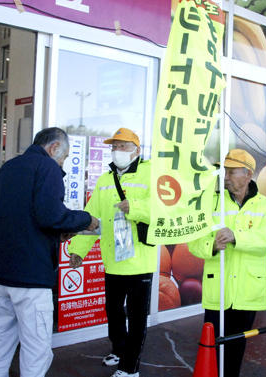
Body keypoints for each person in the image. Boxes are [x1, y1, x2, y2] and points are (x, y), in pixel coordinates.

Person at [0, 127, 99, 377]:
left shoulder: (8, 168)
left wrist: (55, 234)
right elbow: (52, 215)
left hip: (2, 275)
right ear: (54, 147)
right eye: (64, 157)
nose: (63, 163)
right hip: (31, 279)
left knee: (2, 342)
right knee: (36, 349)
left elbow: (21, 217)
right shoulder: (47, 168)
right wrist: (85, 219)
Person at [68, 128, 156, 377]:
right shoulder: (105, 180)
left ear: (136, 151)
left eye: (122, 146)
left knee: (137, 318)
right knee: (114, 311)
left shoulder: (151, 174)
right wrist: (78, 250)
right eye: (114, 146)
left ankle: (130, 367)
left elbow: (162, 212)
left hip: (140, 261)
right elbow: (92, 217)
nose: (117, 151)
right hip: (113, 260)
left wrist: (135, 207)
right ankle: (119, 348)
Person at [188, 149, 266, 377]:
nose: (226, 177)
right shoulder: (211, 203)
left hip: (247, 291)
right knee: (212, 344)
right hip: (217, 290)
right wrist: (210, 246)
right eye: (225, 172)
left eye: (232, 172)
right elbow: (193, 242)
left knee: (237, 345)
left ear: (248, 174)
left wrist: (236, 236)